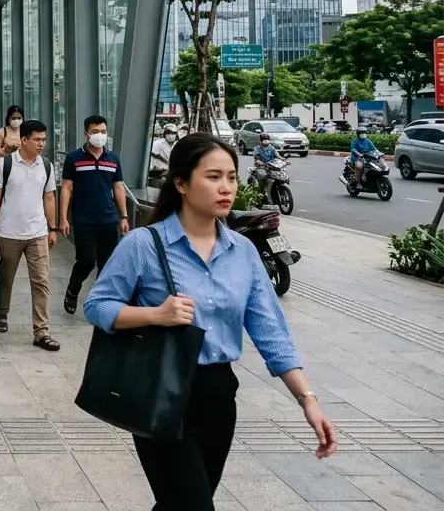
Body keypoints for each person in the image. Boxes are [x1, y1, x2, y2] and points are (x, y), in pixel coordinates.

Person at [84, 134, 337, 509]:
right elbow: (98, 306)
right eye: (214, 176)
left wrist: (308, 400)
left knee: (180, 502)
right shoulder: (143, 244)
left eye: (232, 177)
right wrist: (156, 315)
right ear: (181, 183)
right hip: (161, 391)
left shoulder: (243, 251)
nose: (226, 187)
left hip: (219, 396)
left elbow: (272, 333)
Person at [0, 120, 60, 350]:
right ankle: (2, 313)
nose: (41, 144)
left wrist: (52, 228)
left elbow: (49, 198)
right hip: (9, 232)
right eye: (37, 139)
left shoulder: (46, 166)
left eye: (44, 140)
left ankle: (41, 331)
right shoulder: (5, 164)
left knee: (41, 282)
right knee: (6, 277)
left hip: (37, 233)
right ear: (24, 140)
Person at [60, 115, 129, 316]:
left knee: (107, 264)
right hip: (83, 219)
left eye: (103, 131)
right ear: (86, 134)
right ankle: (73, 290)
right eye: (95, 131)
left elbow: (118, 187)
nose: (100, 135)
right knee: (87, 260)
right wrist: (63, 218)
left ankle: (98, 301)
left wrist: (124, 216)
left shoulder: (113, 159)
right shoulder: (74, 158)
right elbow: (66, 188)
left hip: (108, 219)